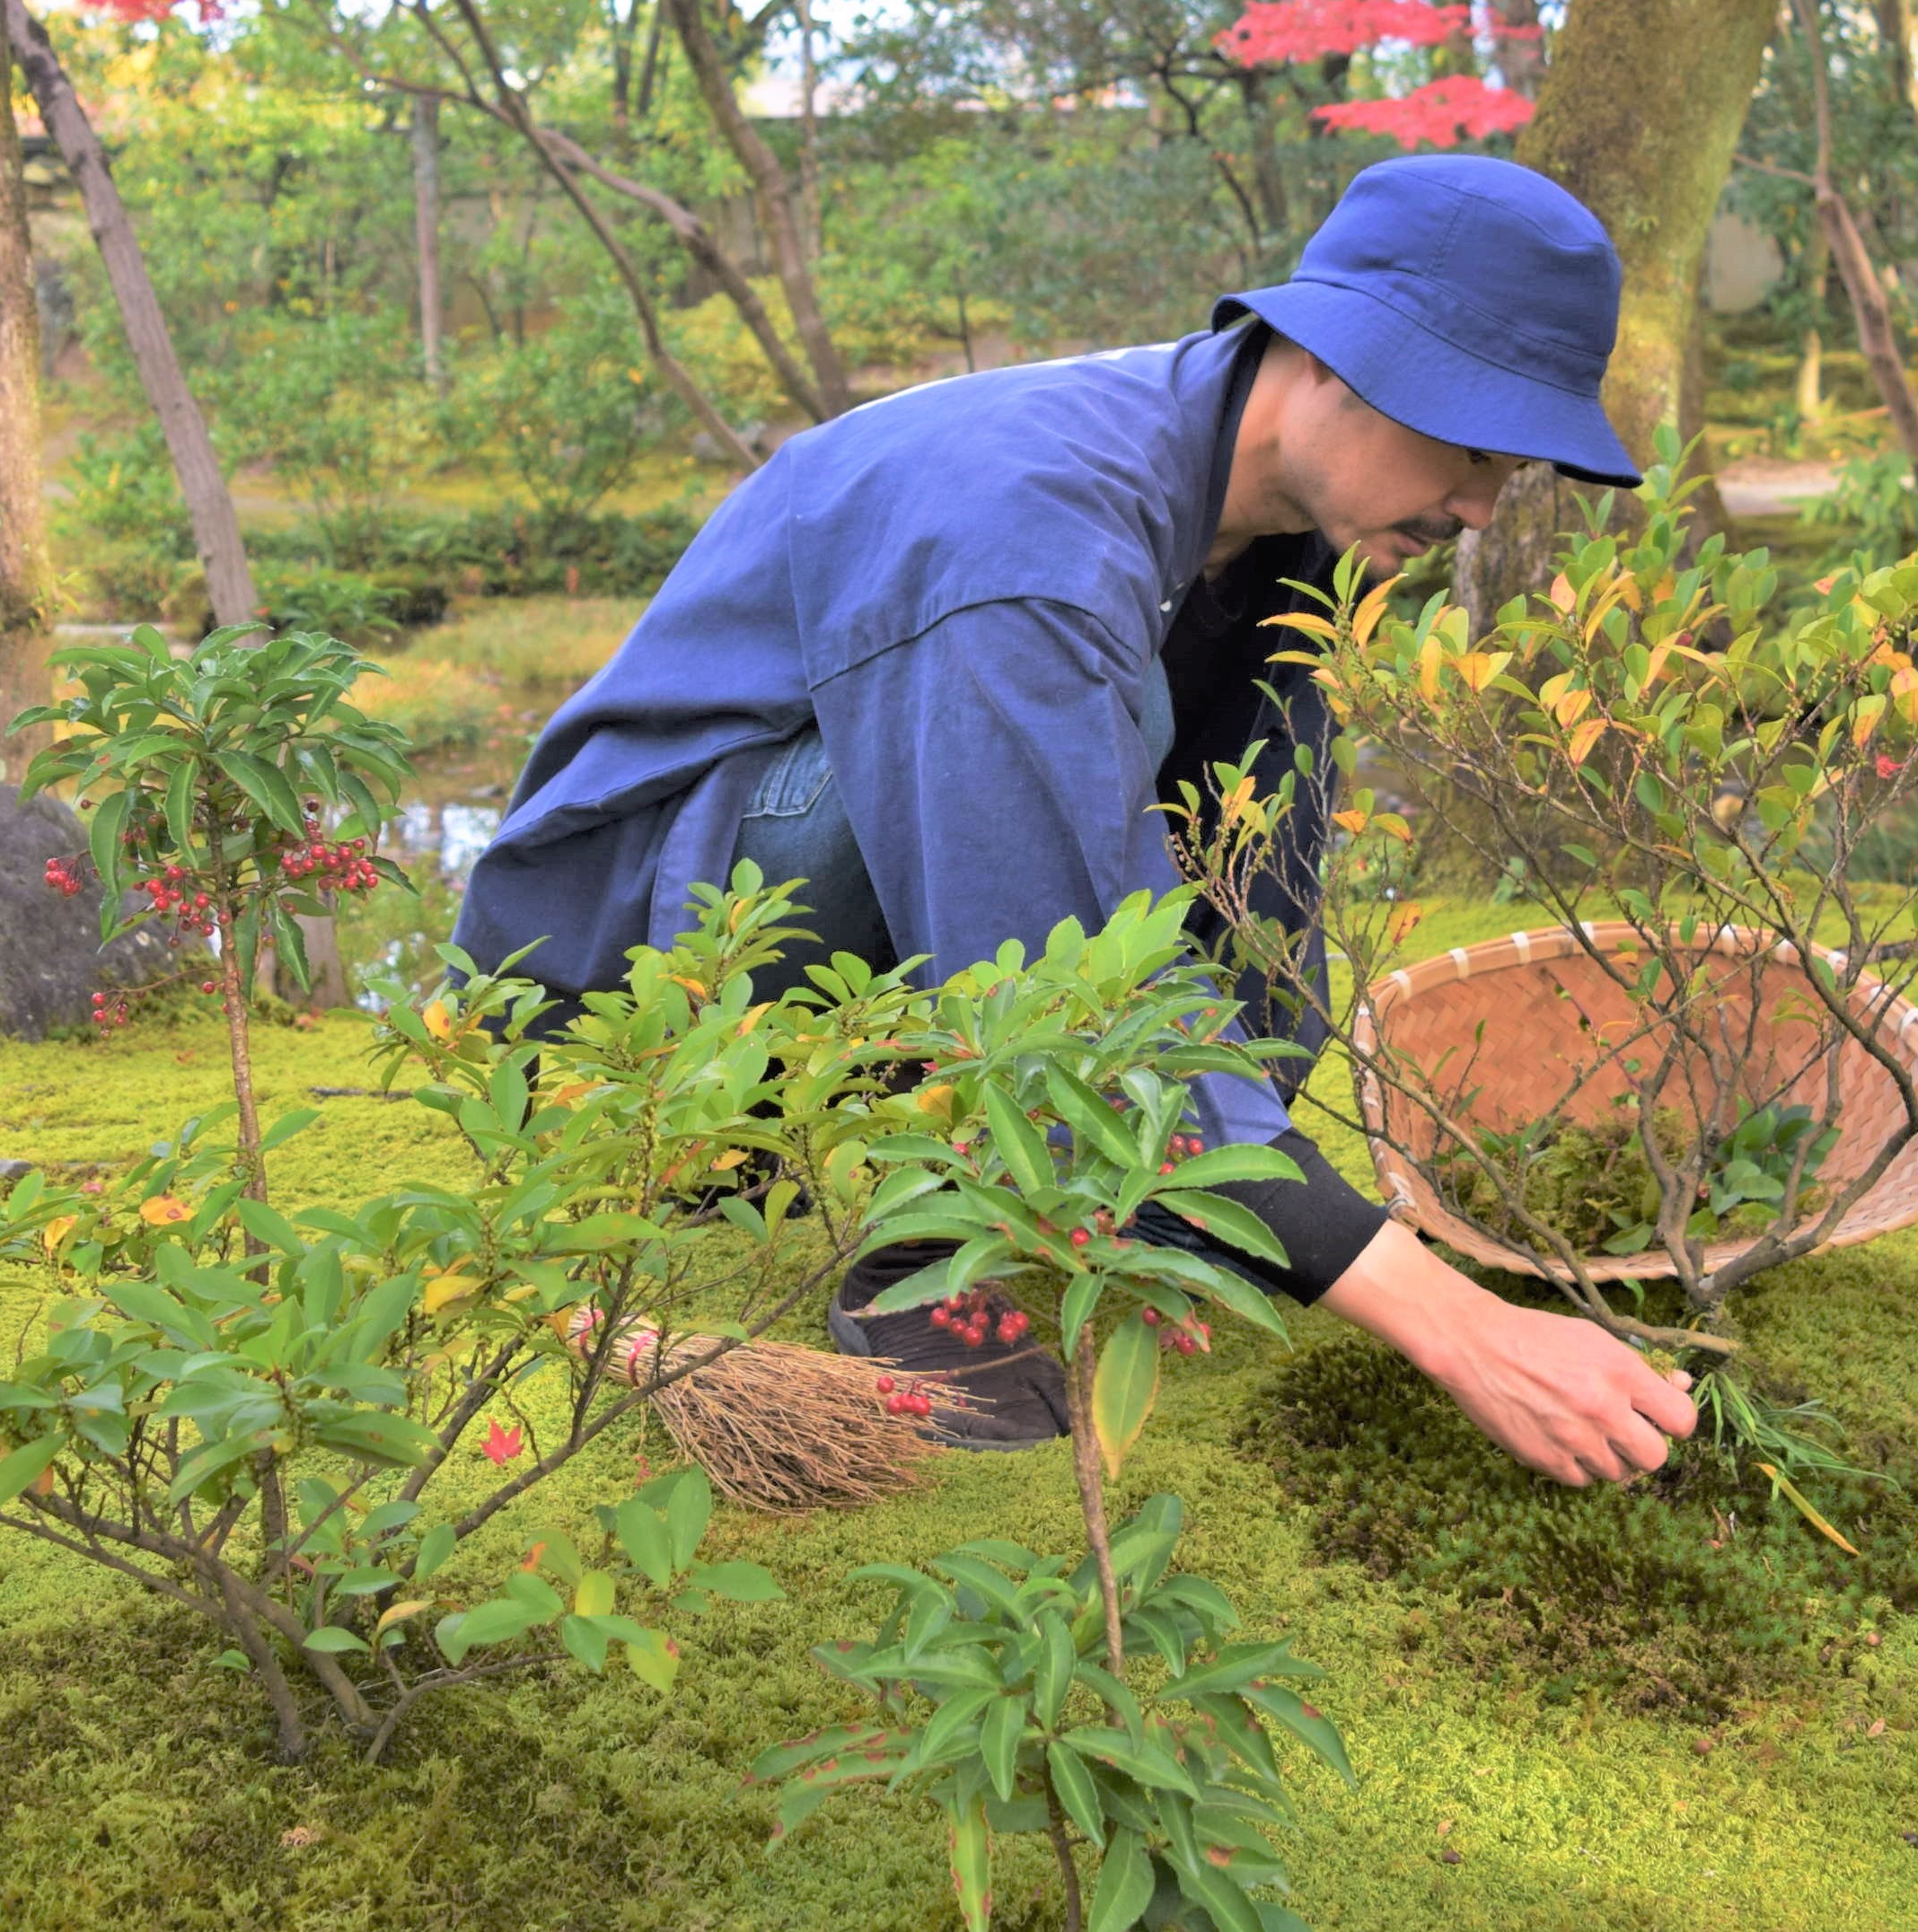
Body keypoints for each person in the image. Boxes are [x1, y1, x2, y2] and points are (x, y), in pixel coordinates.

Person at [452, 155, 1706, 1489]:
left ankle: (1047, 1179)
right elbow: (1053, 940)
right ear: (1340, 360)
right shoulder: (1030, 535)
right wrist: (1459, 1329)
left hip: (842, 916)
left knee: (1171, 801)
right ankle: (936, 1233)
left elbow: (1250, 871)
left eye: (1509, 470)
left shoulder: (1275, 533)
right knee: (991, 773)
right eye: (1470, 447)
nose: (1479, 509)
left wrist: (1222, 1190)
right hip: (625, 992)